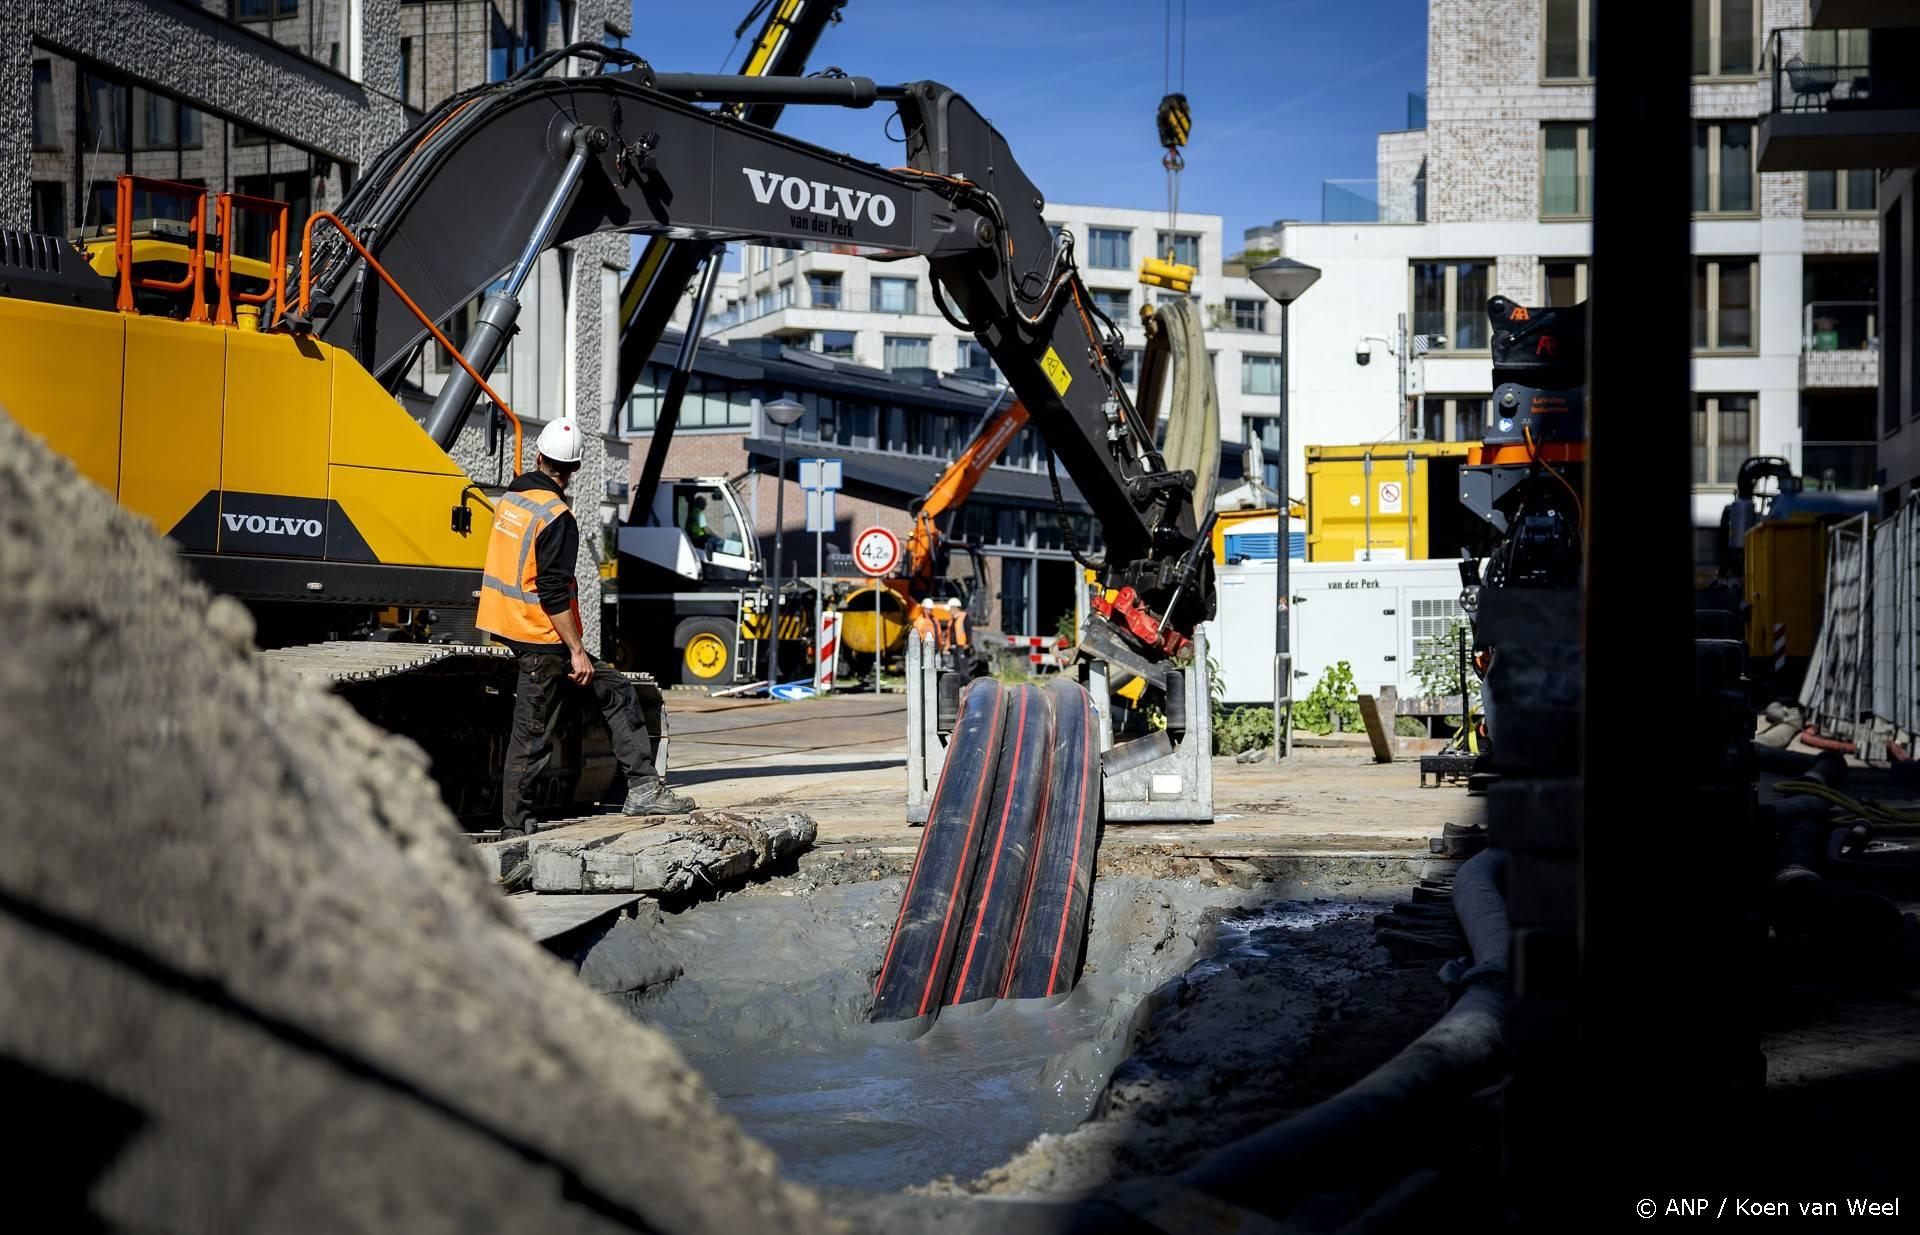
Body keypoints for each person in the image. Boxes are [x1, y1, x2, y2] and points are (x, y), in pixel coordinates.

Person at [477, 417, 695, 835]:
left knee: (614, 688)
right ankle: (514, 828)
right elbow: (553, 592)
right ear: (574, 468)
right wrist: (576, 650)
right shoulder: (557, 516)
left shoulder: (514, 496)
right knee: (532, 734)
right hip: (541, 637)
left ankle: (644, 788)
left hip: (509, 624)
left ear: (539, 456)